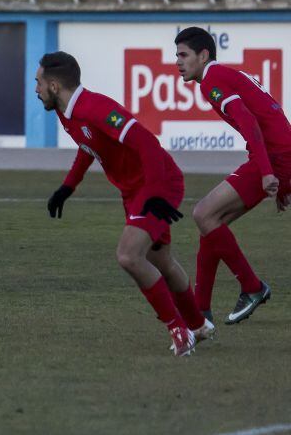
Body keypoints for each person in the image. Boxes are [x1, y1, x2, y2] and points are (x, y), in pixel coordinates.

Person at [37, 51, 211, 357]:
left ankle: (179, 330)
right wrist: (67, 187)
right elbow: (87, 146)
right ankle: (198, 324)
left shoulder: (95, 107)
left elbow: (146, 143)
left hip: (157, 183)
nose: (34, 90)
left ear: (53, 85)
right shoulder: (67, 113)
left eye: (38, 83)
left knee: (129, 256)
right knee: (160, 261)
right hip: (134, 189)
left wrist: (156, 193)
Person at [174, 27, 290, 325]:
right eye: (177, 55)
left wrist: (267, 173)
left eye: (184, 55)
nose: (178, 61)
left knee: (203, 213)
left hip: (275, 158)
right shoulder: (223, 75)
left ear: (203, 55)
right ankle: (200, 312)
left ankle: (252, 287)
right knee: (211, 223)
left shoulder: (211, 80)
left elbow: (250, 122)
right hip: (282, 157)